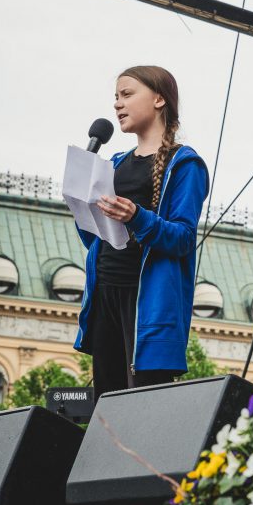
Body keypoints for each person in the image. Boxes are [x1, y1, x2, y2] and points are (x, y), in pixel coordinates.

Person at [75, 66, 209, 400]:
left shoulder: (185, 164)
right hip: (105, 294)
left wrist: (137, 217)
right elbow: (96, 238)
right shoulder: (115, 163)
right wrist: (82, 210)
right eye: (116, 97)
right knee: (106, 405)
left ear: (159, 99)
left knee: (143, 408)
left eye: (127, 94)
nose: (117, 104)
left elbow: (183, 238)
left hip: (148, 303)